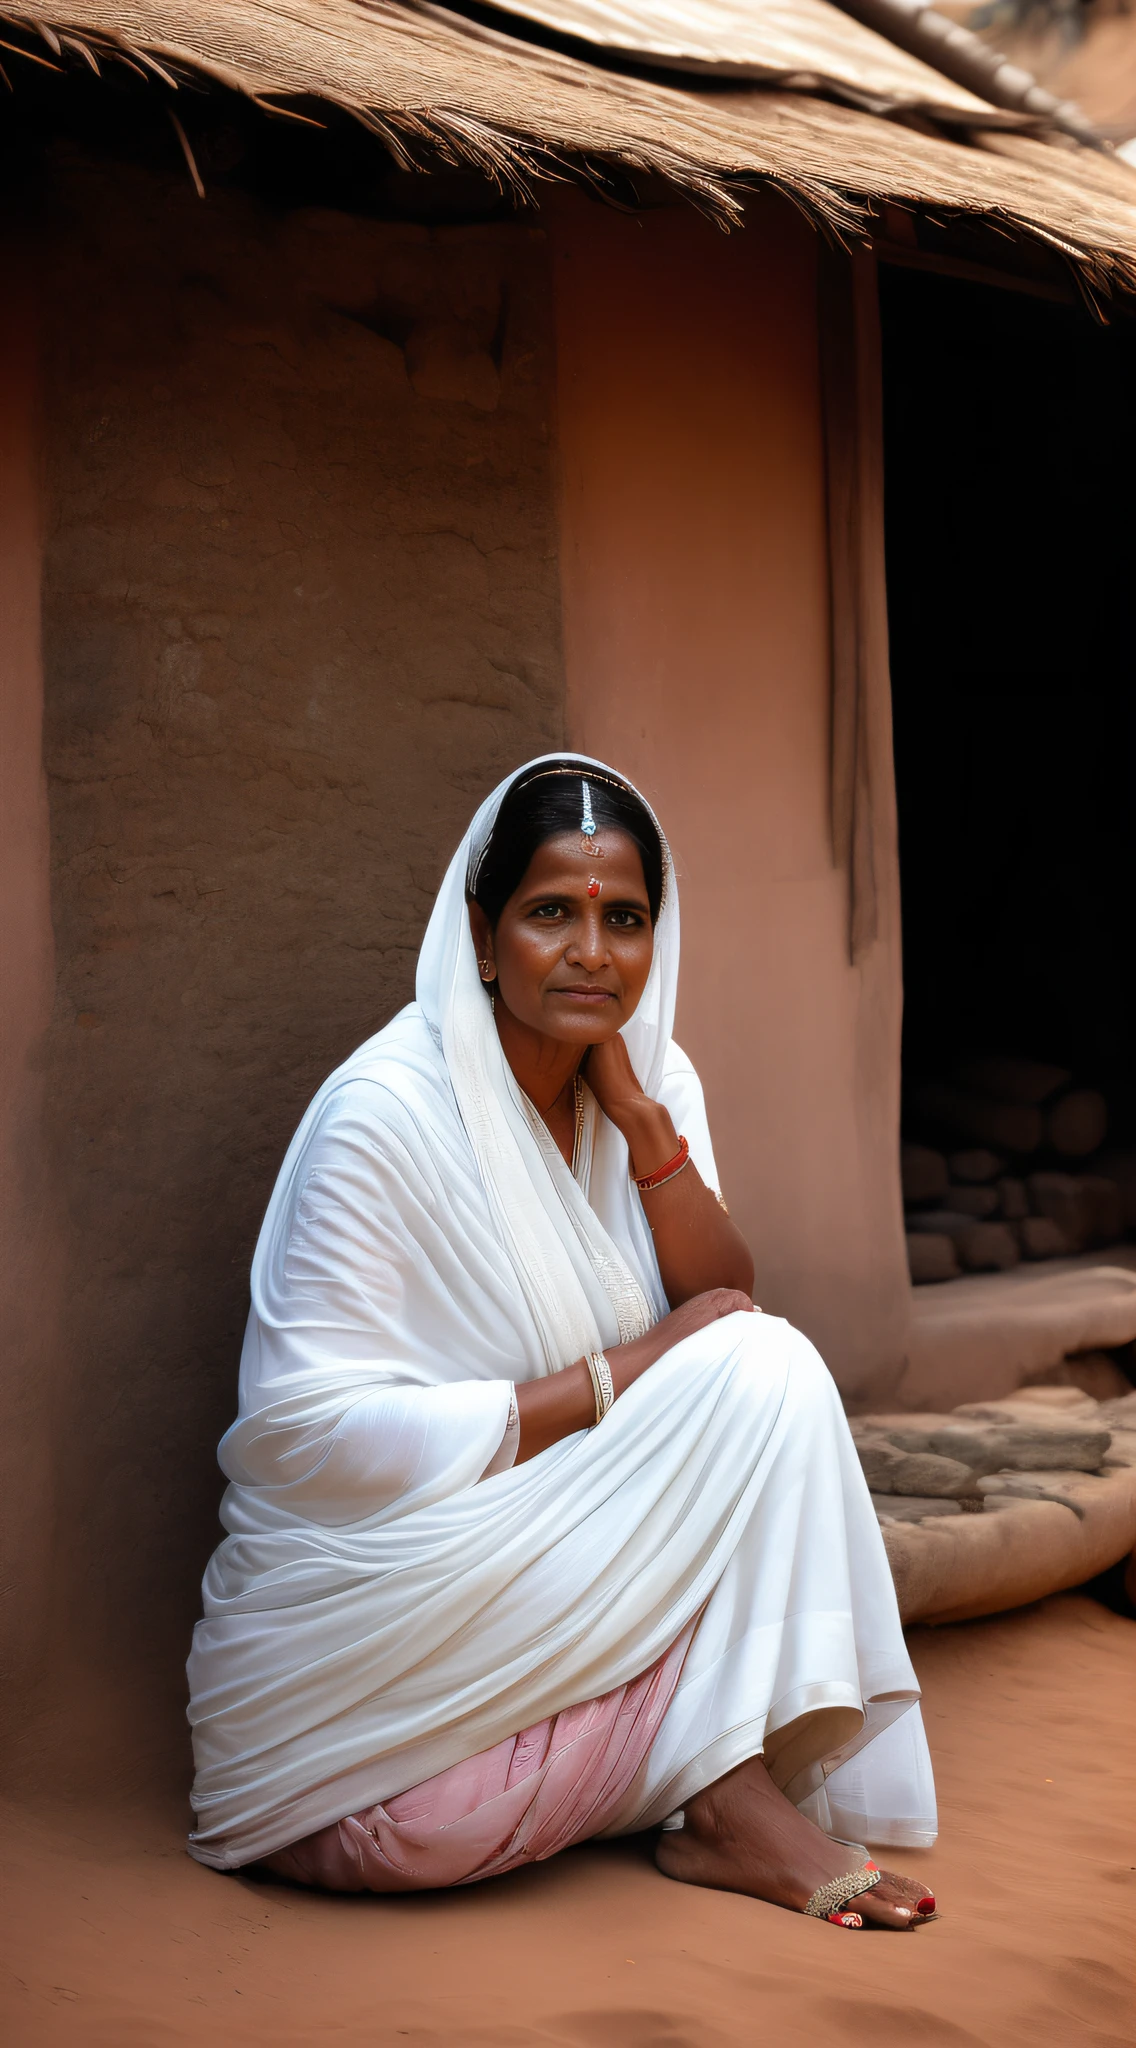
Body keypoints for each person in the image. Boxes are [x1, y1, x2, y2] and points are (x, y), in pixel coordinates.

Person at [186, 755, 938, 1930]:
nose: (593, 950)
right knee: (419, 1828)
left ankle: (724, 1792)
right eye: (551, 912)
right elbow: (300, 1434)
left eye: (624, 917)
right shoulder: (382, 1113)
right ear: (481, 936)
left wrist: (643, 1127)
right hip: (396, 1584)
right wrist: (617, 1377)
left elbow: (722, 1296)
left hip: (574, 1539)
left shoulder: (652, 1077)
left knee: (771, 1367)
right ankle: (693, 1759)